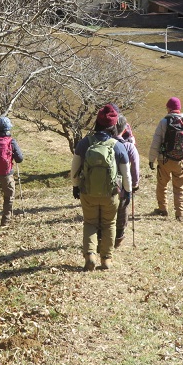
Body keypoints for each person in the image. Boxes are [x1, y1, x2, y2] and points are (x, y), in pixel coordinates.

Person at [71, 104, 132, 271]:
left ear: (97, 122)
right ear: (114, 125)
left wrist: (76, 187)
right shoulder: (118, 145)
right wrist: (127, 192)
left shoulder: (84, 143)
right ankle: (106, 259)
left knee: (90, 223)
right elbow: (126, 175)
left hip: (88, 192)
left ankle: (90, 256)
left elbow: (74, 170)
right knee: (109, 223)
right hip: (110, 194)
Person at [148, 97, 183, 222]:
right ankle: (180, 214)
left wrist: (151, 159)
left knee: (162, 185)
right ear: (179, 108)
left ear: (168, 108)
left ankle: (162, 209)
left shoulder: (164, 122)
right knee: (179, 187)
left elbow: (156, 142)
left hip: (164, 160)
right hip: (180, 161)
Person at [114, 113, 140, 248]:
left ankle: (103, 236)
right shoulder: (129, 146)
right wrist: (134, 184)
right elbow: (135, 167)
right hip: (123, 186)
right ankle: (119, 236)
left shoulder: (102, 143)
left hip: (104, 186)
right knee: (122, 209)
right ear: (124, 129)